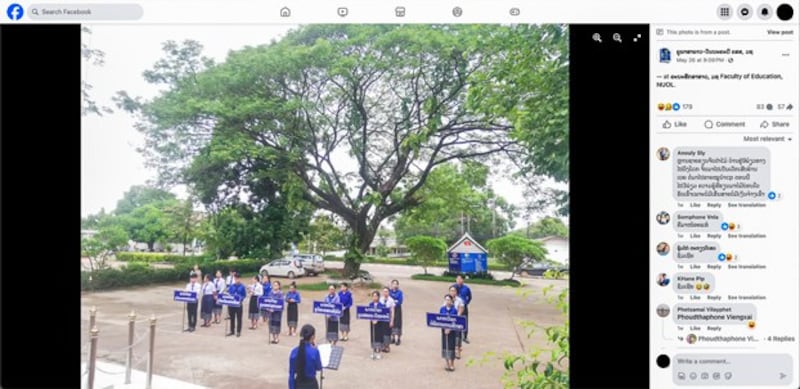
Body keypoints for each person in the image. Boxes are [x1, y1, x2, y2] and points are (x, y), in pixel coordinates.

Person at [288, 324, 323, 389]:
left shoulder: (294, 352)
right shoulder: (315, 352)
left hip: (298, 384)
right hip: (311, 384)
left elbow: (291, 374)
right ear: (312, 337)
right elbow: (319, 367)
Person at [451, 275, 472, 343]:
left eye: (460, 279)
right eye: (457, 279)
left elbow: (470, 297)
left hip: (463, 307)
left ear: (463, 280)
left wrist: (466, 302)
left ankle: (465, 336)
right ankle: (454, 335)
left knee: (464, 321)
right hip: (455, 306)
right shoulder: (453, 287)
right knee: (453, 320)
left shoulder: (466, 288)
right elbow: (450, 296)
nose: (458, 280)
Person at [440, 294, 459, 372]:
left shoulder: (454, 310)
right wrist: (444, 328)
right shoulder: (442, 309)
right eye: (446, 300)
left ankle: (452, 363)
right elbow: (439, 318)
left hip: (452, 331)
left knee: (451, 346)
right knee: (445, 346)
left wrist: (450, 329)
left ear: (451, 301)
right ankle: (447, 363)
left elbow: (455, 320)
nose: (447, 301)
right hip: (444, 330)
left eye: (449, 300)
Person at [447, 286, 466, 359]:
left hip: (457, 321)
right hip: (449, 320)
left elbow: (460, 310)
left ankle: (458, 351)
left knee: (457, 336)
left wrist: (455, 318)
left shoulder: (459, 300)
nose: (452, 292)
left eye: (454, 291)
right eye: (451, 290)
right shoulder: (447, 299)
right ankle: (451, 351)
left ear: (456, 292)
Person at [226, 272, 247, 337]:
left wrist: (240, 299)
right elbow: (229, 293)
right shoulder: (232, 286)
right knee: (232, 318)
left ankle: (238, 331)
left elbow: (244, 295)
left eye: (238, 278)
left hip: (238, 304)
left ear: (240, 279)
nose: (236, 279)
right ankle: (232, 331)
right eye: (235, 278)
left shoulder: (242, 286)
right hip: (232, 304)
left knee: (239, 318)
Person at [367, 290, 384, 360]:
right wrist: (372, 319)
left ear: (378, 297)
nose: (374, 297)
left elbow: (383, 314)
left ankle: (379, 351)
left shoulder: (381, 305)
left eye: (376, 296)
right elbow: (368, 312)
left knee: (379, 336)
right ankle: (373, 351)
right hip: (372, 322)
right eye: (373, 296)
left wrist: (377, 319)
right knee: (373, 335)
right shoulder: (370, 304)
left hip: (379, 323)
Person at [379, 287, 396, 353]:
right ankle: (382, 346)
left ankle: (387, 346)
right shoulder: (380, 299)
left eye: (386, 291)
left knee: (387, 333)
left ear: (389, 292)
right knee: (381, 333)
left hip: (388, 319)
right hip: (381, 319)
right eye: (384, 291)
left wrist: (392, 320)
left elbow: (393, 311)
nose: (385, 293)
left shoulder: (391, 300)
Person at [389, 279, 404, 345]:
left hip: (397, 309)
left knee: (398, 323)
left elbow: (400, 301)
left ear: (398, 285)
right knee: (391, 322)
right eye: (393, 283)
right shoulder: (389, 292)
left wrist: (394, 301)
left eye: (396, 284)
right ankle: (392, 338)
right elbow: (388, 299)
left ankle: (398, 338)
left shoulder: (400, 292)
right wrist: (394, 301)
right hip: (391, 309)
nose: (394, 285)